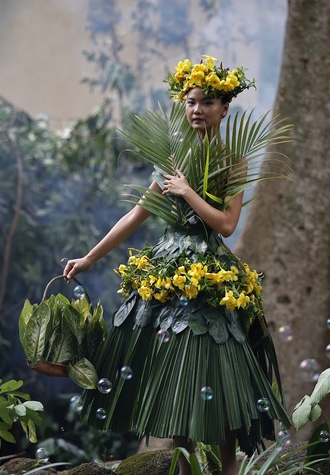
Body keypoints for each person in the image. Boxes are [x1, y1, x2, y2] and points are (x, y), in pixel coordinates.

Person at [63, 55, 292, 475]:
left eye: (206, 102)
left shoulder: (233, 162)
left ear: (225, 108)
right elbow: (136, 214)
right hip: (167, 274)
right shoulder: (171, 160)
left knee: (220, 379)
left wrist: (187, 191)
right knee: (175, 380)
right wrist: (91, 257)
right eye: (190, 102)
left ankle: (228, 471)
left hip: (211, 276)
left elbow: (226, 225)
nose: (196, 110)